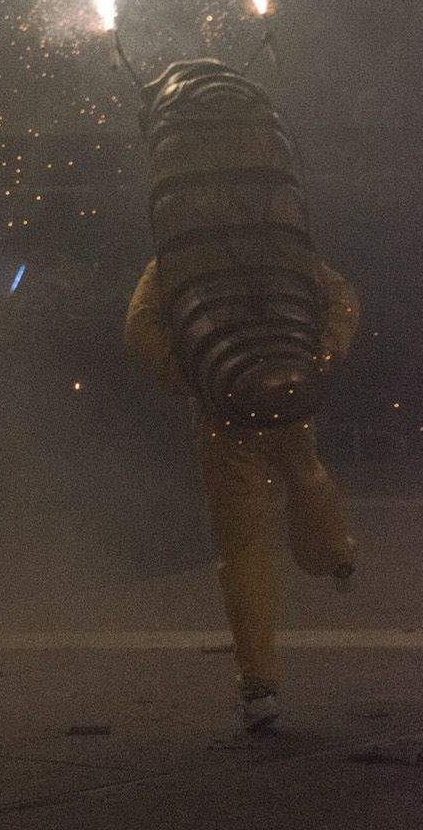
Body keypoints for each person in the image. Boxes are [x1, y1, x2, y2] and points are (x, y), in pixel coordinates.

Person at [126, 253, 359, 731]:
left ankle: (259, 684)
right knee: (305, 472)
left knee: (244, 542)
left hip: (223, 411)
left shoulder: (175, 256)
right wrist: (317, 358)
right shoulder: (273, 240)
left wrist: (195, 379)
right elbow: (343, 300)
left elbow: (140, 328)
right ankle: (335, 552)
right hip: (287, 394)